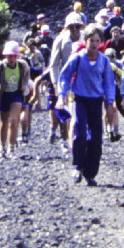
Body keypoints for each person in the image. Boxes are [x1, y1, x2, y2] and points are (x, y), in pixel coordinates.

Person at [58, 26, 118, 186]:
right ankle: (77, 166)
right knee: (80, 132)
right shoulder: (77, 58)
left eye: (98, 41)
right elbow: (64, 76)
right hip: (80, 99)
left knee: (96, 138)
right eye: (92, 40)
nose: (94, 44)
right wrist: (61, 96)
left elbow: (108, 83)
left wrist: (110, 102)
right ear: (86, 41)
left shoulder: (104, 60)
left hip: (96, 101)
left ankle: (90, 173)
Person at [0, 41, 33, 159]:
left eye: (14, 56)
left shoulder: (22, 65)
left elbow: (27, 74)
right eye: (10, 56)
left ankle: (11, 149)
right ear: (5, 55)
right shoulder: (0, 66)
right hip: (3, 96)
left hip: (16, 95)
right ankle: (2, 148)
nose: (12, 58)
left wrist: (24, 84)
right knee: (4, 122)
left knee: (13, 121)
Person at [48, 12, 86, 151]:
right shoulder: (60, 40)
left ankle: (77, 141)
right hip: (66, 82)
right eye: (71, 27)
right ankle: (67, 141)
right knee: (67, 113)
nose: (74, 30)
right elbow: (54, 65)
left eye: (77, 26)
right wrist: (56, 85)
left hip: (83, 81)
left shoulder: (86, 39)